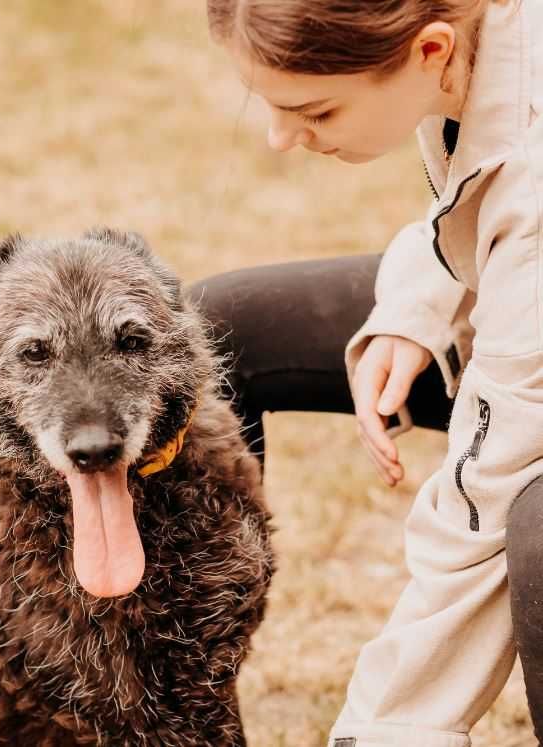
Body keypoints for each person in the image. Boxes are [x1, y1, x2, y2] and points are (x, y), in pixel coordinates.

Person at [191, 1, 543, 745]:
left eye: (314, 109)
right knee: (214, 334)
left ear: (429, 50)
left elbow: (485, 491)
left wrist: (381, 726)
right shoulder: (472, 35)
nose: (279, 138)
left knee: (533, 526)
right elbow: (478, 187)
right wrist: (418, 302)